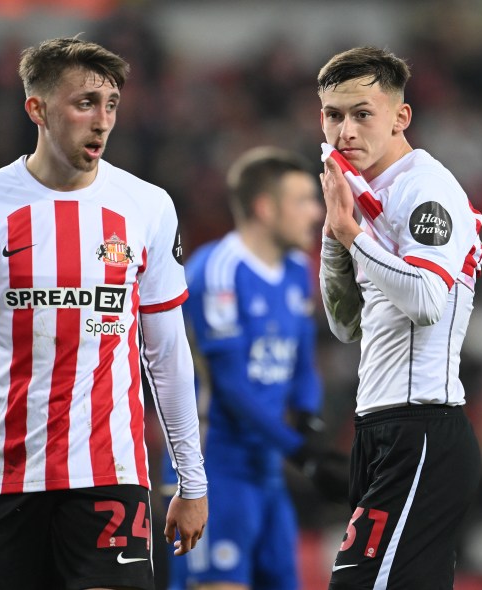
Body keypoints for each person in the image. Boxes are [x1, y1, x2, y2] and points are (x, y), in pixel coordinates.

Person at [0, 36, 207, 590]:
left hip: (109, 476)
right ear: (37, 109)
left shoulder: (147, 206)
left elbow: (167, 354)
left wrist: (192, 481)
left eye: (111, 103)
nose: (103, 121)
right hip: (4, 478)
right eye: (85, 103)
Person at [317, 46, 482, 589]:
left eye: (362, 114)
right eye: (333, 115)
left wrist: (352, 235)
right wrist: (332, 239)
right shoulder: (366, 193)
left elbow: (426, 299)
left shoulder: (426, 189)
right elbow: (346, 325)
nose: (345, 130)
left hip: (422, 427)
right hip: (379, 427)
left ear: (400, 117)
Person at [160, 146, 341, 590]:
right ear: (264, 207)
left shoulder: (298, 269)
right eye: (302, 200)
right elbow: (231, 389)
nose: (316, 212)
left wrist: (310, 422)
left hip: (265, 467)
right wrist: (301, 451)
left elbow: (301, 363)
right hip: (213, 467)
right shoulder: (217, 271)